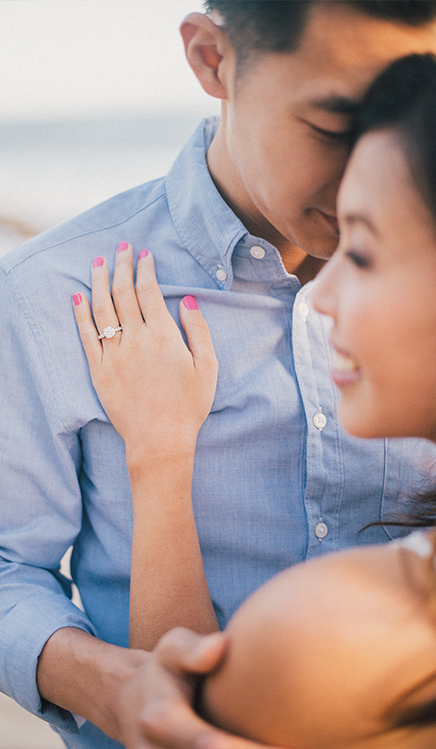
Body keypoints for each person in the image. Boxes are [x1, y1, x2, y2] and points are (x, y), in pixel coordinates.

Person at [0, 2, 436, 747]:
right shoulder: (45, 292)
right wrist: (109, 685)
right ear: (212, 58)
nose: (374, 161)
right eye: (335, 127)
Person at [73, 51, 436, 748]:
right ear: (212, 59)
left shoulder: (334, 632)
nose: (318, 296)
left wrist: (158, 451)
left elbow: (175, 718)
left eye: (360, 253)